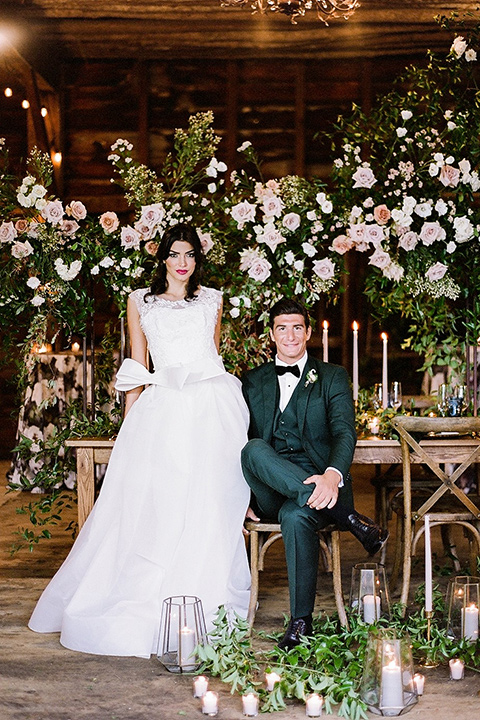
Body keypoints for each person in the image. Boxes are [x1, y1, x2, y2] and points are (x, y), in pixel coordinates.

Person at [28, 224, 251, 657]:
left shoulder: (212, 300)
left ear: (196, 259)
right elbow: (137, 362)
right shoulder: (139, 301)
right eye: (174, 254)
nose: (182, 263)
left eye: (189, 254)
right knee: (161, 499)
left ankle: (205, 592)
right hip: (164, 407)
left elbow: (214, 354)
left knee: (209, 498)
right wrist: (130, 424)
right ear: (162, 258)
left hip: (212, 407)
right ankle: (151, 593)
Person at [241, 298, 388, 650]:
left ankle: (301, 622)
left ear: (307, 332)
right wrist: (239, 499)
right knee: (253, 448)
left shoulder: (332, 377)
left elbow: (344, 432)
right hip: (269, 486)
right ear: (272, 335)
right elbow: (237, 437)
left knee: (296, 515)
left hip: (322, 483)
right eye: (282, 328)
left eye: (296, 327)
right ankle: (350, 518)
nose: (290, 335)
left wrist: (332, 476)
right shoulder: (252, 380)